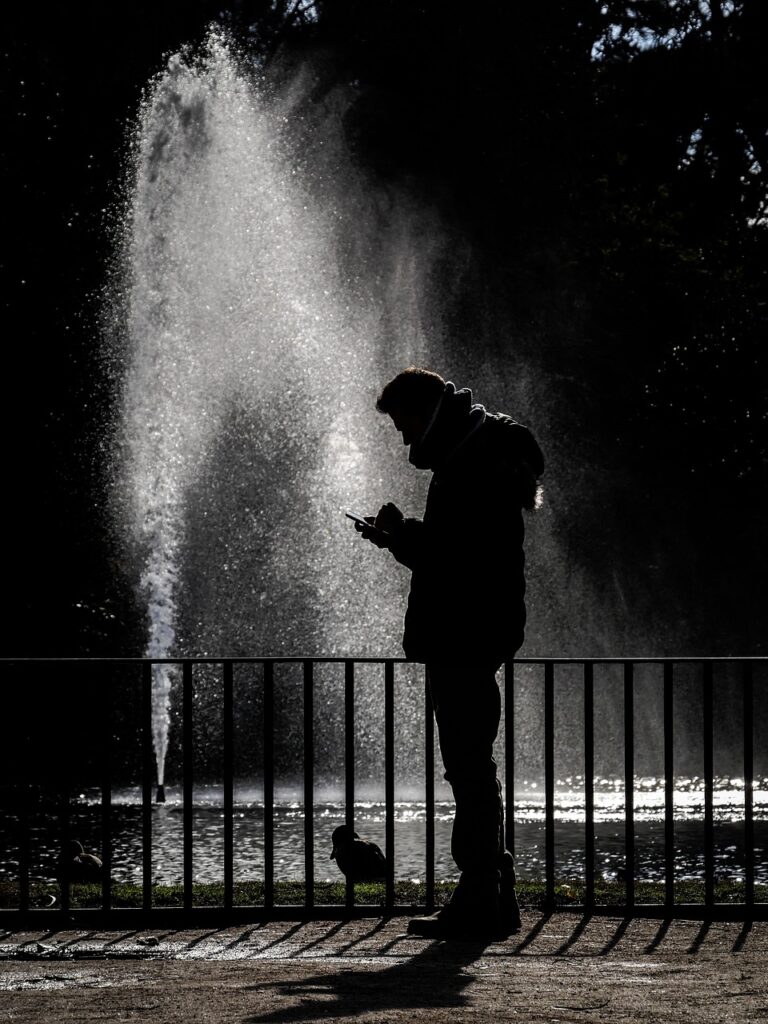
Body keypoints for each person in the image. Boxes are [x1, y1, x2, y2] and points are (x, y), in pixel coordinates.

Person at [355, 367, 544, 940]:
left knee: (467, 763)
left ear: (426, 411)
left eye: (404, 424)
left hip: (465, 630)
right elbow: (465, 553)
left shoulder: (468, 465)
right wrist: (404, 536)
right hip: (477, 627)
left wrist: (400, 537)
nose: (404, 439)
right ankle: (492, 893)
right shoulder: (477, 452)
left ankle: (479, 894)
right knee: (471, 762)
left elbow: (458, 560)